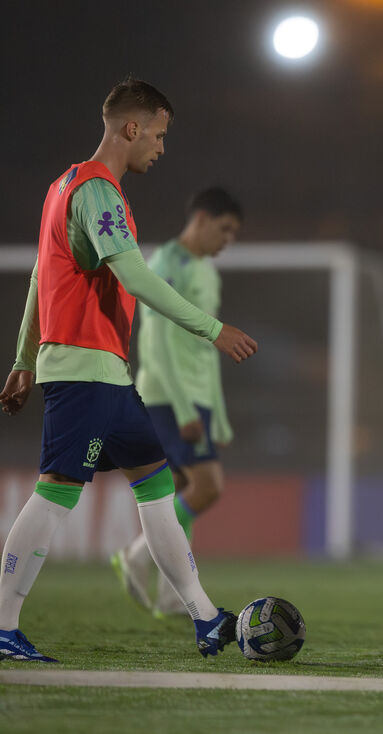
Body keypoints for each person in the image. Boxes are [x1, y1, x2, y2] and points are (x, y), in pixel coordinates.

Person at [0, 77, 257, 662]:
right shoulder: (97, 191)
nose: (162, 148)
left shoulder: (61, 186)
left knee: (159, 489)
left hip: (109, 376)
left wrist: (21, 360)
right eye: (160, 135)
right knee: (57, 490)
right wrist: (215, 330)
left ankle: (205, 617)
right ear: (131, 127)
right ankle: (3, 625)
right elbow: (135, 277)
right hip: (84, 370)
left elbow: (41, 277)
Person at [111, 186, 243, 617]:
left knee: (185, 489)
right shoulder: (167, 262)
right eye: (224, 229)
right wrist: (186, 411)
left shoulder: (208, 272)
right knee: (207, 487)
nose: (228, 240)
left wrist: (218, 418)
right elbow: (159, 342)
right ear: (202, 219)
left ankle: (164, 585)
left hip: (196, 398)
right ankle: (142, 559)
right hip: (168, 397)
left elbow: (207, 354)